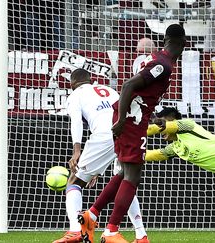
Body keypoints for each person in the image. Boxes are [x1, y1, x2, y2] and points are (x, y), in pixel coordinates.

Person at [78, 24, 186, 243]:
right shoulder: (163, 65)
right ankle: (111, 231)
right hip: (131, 120)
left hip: (134, 116)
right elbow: (128, 86)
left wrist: (151, 113)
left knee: (123, 174)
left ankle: (92, 215)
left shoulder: (158, 59)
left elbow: (141, 92)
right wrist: (121, 120)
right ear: (182, 43)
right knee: (132, 176)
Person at [53, 69, 148, 243]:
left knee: (74, 180)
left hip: (103, 135)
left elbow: (76, 122)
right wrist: (97, 168)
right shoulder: (108, 90)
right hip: (125, 132)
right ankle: (141, 235)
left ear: (72, 84)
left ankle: (75, 230)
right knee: (126, 180)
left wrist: (77, 151)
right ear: (91, 80)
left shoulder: (75, 95)